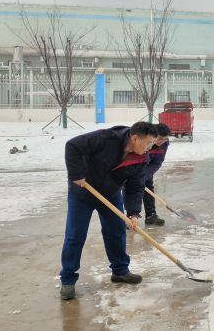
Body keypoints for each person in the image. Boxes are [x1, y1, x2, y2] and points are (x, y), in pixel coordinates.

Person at [59, 121, 158, 301]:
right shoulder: (105, 138)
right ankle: (67, 279)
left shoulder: (141, 157)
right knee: (75, 236)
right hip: (83, 191)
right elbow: (72, 145)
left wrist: (133, 213)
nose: (150, 147)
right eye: (148, 143)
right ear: (135, 139)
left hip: (111, 193)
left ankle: (120, 271)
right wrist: (76, 174)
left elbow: (136, 187)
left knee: (116, 231)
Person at [135, 123, 170, 226]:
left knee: (149, 188)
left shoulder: (164, 144)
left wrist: (145, 176)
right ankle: (131, 217)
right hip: (134, 165)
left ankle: (151, 215)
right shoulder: (144, 140)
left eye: (165, 139)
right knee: (133, 189)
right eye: (160, 138)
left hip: (148, 167)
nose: (162, 141)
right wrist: (136, 177)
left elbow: (157, 162)